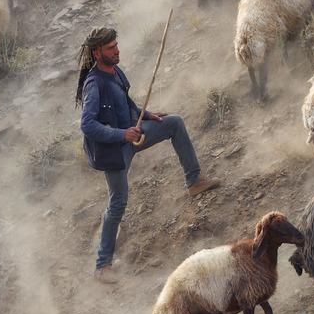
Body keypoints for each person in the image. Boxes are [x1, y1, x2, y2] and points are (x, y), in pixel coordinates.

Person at [77, 26, 219, 283]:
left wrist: (147, 113)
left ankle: (194, 181)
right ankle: (102, 266)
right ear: (97, 52)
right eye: (111, 48)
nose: (117, 50)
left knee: (174, 123)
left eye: (116, 45)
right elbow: (87, 125)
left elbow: (126, 103)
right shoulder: (93, 84)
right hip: (115, 150)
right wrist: (122, 135)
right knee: (117, 203)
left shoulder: (115, 71)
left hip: (133, 134)